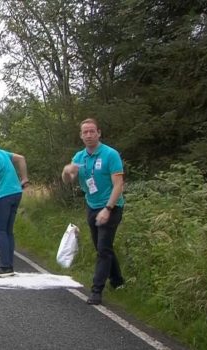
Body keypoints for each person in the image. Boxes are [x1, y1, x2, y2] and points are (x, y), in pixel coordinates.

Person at [62, 118, 125, 305]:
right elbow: (69, 180)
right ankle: (117, 280)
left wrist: (108, 208)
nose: (89, 135)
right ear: (81, 136)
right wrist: (66, 171)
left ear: (99, 133)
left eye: (92, 131)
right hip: (92, 205)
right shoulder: (79, 157)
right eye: (85, 132)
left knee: (103, 249)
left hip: (112, 206)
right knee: (101, 246)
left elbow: (119, 184)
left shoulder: (110, 154)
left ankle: (97, 290)